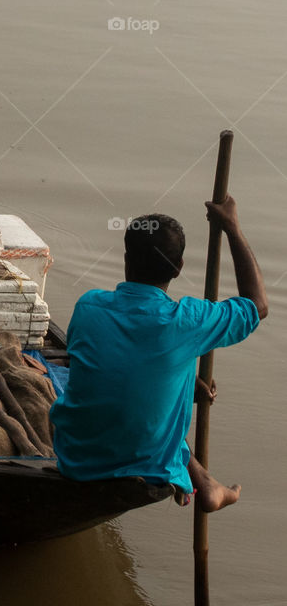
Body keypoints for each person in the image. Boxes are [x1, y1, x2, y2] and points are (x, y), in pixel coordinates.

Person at [50, 197, 267, 511]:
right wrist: (233, 227)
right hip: (149, 466)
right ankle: (203, 482)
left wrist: (183, 380)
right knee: (165, 394)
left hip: (76, 459)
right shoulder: (188, 321)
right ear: (178, 268)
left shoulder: (88, 306)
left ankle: (204, 482)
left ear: (126, 260)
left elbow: (113, 361)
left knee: (165, 380)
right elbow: (257, 305)